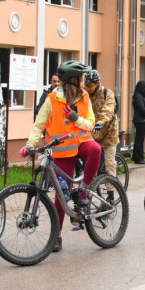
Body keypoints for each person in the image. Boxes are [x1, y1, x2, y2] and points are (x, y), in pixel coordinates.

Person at [22, 60, 101, 252]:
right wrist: (29, 145)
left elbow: (90, 123)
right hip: (63, 150)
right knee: (61, 195)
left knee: (96, 150)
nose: (84, 81)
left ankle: (84, 189)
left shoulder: (84, 96)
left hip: (82, 143)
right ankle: (56, 235)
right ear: (73, 80)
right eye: (82, 78)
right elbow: (39, 124)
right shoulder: (52, 99)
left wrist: (76, 119)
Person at [85, 70, 121, 184]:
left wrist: (100, 124)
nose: (88, 87)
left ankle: (111, 195)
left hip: (109, 131)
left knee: (110, 164)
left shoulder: (107, 93)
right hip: (93, 131)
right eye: (86, 85)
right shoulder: (85, 95)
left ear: (97, 83)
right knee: (89, 159)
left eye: (90, 85)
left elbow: (108, 110)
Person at [131, 81, 145, 164]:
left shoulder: (141, 96)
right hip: (139, 120)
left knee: (140, 140)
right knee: (139, 140)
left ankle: (138, 157)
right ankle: (138, 158)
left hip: (142, 120)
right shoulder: (138, 97)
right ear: (142, 87)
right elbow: (141, 109)